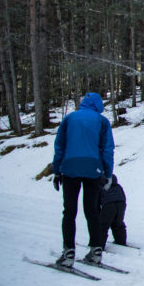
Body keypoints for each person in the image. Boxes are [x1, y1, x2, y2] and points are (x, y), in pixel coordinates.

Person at [52, 92, 115, 267]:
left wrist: (57, 170)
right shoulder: (102, 121)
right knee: (92, 211)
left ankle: (68, 253)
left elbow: (60, 146)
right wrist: (108, 174)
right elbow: (107, 149)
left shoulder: (70, 118)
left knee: (69, 211)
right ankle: (96, 251)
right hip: (93, 169)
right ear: (98, 105)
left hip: (70, 168)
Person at [99, 174, 127, 248]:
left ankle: (99, 245)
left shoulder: (102, 187)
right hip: (121, 204)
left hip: (108, 205)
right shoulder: (118, 186)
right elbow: (123, 196)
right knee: (118, 223)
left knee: (103, 225)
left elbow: (98, 199)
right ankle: (121, 241)